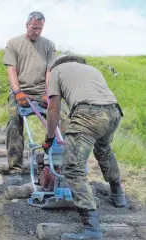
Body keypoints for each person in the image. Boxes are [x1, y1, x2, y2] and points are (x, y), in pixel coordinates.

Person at [42, 53, 127, 240]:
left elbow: (54, 108)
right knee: (103, 150)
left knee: (73, 169)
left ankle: (92, 229)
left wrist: (49, 138)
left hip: (88, 114)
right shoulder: (91, 69)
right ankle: (118, 195)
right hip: (113, 112)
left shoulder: (56, 70)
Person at [3, 11, 57, 186]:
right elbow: (11, 69)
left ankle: (54, 164)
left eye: (40, 29)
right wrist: (17, 92)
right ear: (27, 25)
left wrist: (48, 92)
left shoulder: (49, 45)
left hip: (42, 92)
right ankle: (15, 169)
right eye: (34, 28)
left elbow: (50, 70)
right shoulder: (14, 43)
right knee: (13, 122)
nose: (37, 32)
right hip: (21, 91)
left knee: (61, 121)